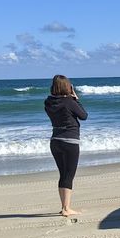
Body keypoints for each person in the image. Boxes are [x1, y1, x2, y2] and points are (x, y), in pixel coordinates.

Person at [44, 75, 88, 216]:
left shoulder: (48, 102)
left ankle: (64, 206)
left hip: (55, 141)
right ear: (67, 87)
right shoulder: (69, 102)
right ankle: (66, 208)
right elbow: (84, 116)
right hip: (70, 141)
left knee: (63, 174)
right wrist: (76, 99)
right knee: (69, 176)